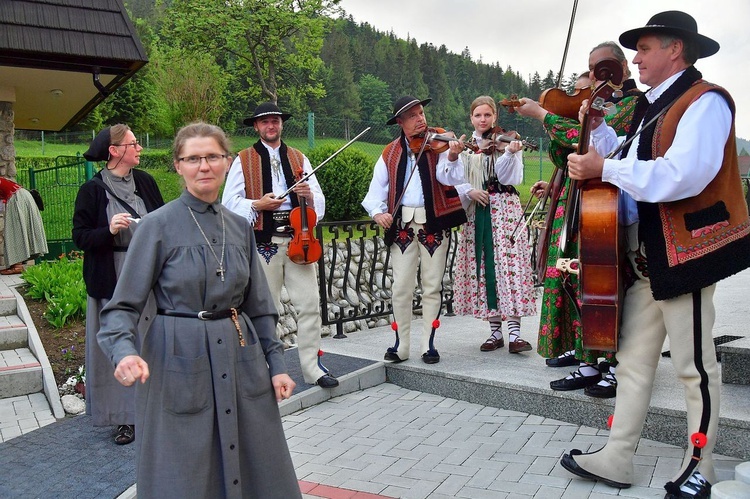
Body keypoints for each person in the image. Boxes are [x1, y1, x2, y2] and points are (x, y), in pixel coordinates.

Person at [559, 12, 750, 499]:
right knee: (633, 362)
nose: (636, 59)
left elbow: (683, 174)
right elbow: (623, 163)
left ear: (675, 51)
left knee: (694, 367)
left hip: (684, 254)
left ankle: (700, 464)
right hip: (647, 258)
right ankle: (619, 455)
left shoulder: (706, 102)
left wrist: (607, 166)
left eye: (644, 49)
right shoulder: (651, 107)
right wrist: (597, 140)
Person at [98, 123, 302, 498]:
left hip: (242, 356)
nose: (203, 166)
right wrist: (123, 352)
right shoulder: (156, 227)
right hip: (177, 358)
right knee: (185, 470)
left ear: (227, 162)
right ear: (178, 166)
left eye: (212, 156)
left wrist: (277, 366)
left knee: (257, 464)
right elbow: (122, 307)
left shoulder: (240, 227)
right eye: (193, 158)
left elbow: (260, 307)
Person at [516, 41, 641, 398]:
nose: (589, 85)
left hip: (610, 205)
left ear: (621, 68)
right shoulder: (597, 106)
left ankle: (614, 364)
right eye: (588, 69)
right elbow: (567, 152)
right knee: (574, 279)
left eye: (601, 68)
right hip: (581, 202)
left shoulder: (632, 105)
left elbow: (597, 148)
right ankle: (589, 360)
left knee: (607, 284)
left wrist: (545, 116)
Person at [222, 102, 338, 389]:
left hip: (301, 242)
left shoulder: (299, 158)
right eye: (265, 122)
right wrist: (257, 204)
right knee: (266, 309)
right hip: (265, 244)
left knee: (310, 305)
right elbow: (228, 204)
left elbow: (320, 204)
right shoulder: (243, 159)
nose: (271, 126)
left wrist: (308, 195)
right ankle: (266, 370)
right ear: (256, 127)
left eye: (275, 121)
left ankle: (313, 368)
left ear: (281, 124)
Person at [72, 125, 164, 445]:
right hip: (112, 277)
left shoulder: (147, 183)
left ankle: (157, 410)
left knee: (150, 343)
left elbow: (163, 223)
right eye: (133, 144)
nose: (139, 148)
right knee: (116, 348)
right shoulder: (92, 190)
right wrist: (108, 230)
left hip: (147, 279)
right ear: (115, 151)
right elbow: (81, 237)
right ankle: (124, 418)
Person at [362, 95, 466, 364]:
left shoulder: (440, 143)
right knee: (401, 286)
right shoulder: (390, 152)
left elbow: (449, 177)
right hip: (403, 227)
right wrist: (378, 213)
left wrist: (453, 156)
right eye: (413, 116)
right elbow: (375, 191)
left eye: (422, 113)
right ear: (400, 122)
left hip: (434, 223)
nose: (421, 119)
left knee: (432, 285)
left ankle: (428, 345)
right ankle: (401, 345)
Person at [452, 96, 537, 354]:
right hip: (479, 212)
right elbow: (451, 177)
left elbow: (510, 177)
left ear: (495, 117)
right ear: (471, 118)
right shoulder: (465, 147)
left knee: (509, 267)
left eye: (487, 115)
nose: (482, 120)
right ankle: (495, 333)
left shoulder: (506, 142)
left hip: (505, 211)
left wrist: (510, 154)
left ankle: (515, 334)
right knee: (486, 266)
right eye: (478, 115)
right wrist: (469, 191)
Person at [0, 178, 47, 275]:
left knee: (15, 230)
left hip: (16, 197)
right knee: (20, 228)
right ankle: (17, 265)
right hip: (23, 196)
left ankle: (17, 266)